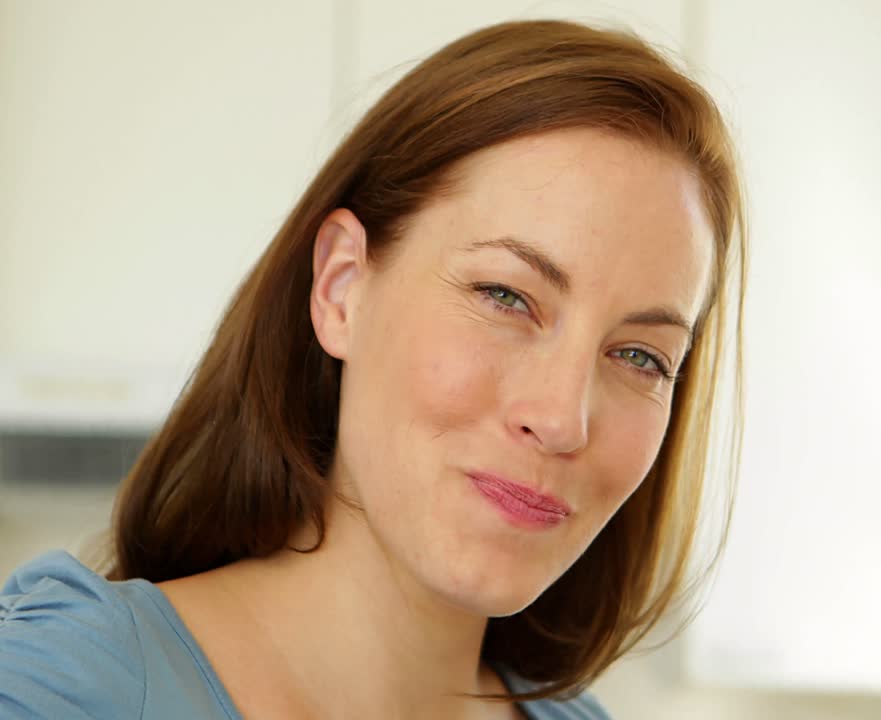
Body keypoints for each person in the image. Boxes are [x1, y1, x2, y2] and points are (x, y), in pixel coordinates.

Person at [0, 17, 745, 720]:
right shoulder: (67, 688)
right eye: (506, 296)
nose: (560, 418)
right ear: (342, 287)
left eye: (639, 356)